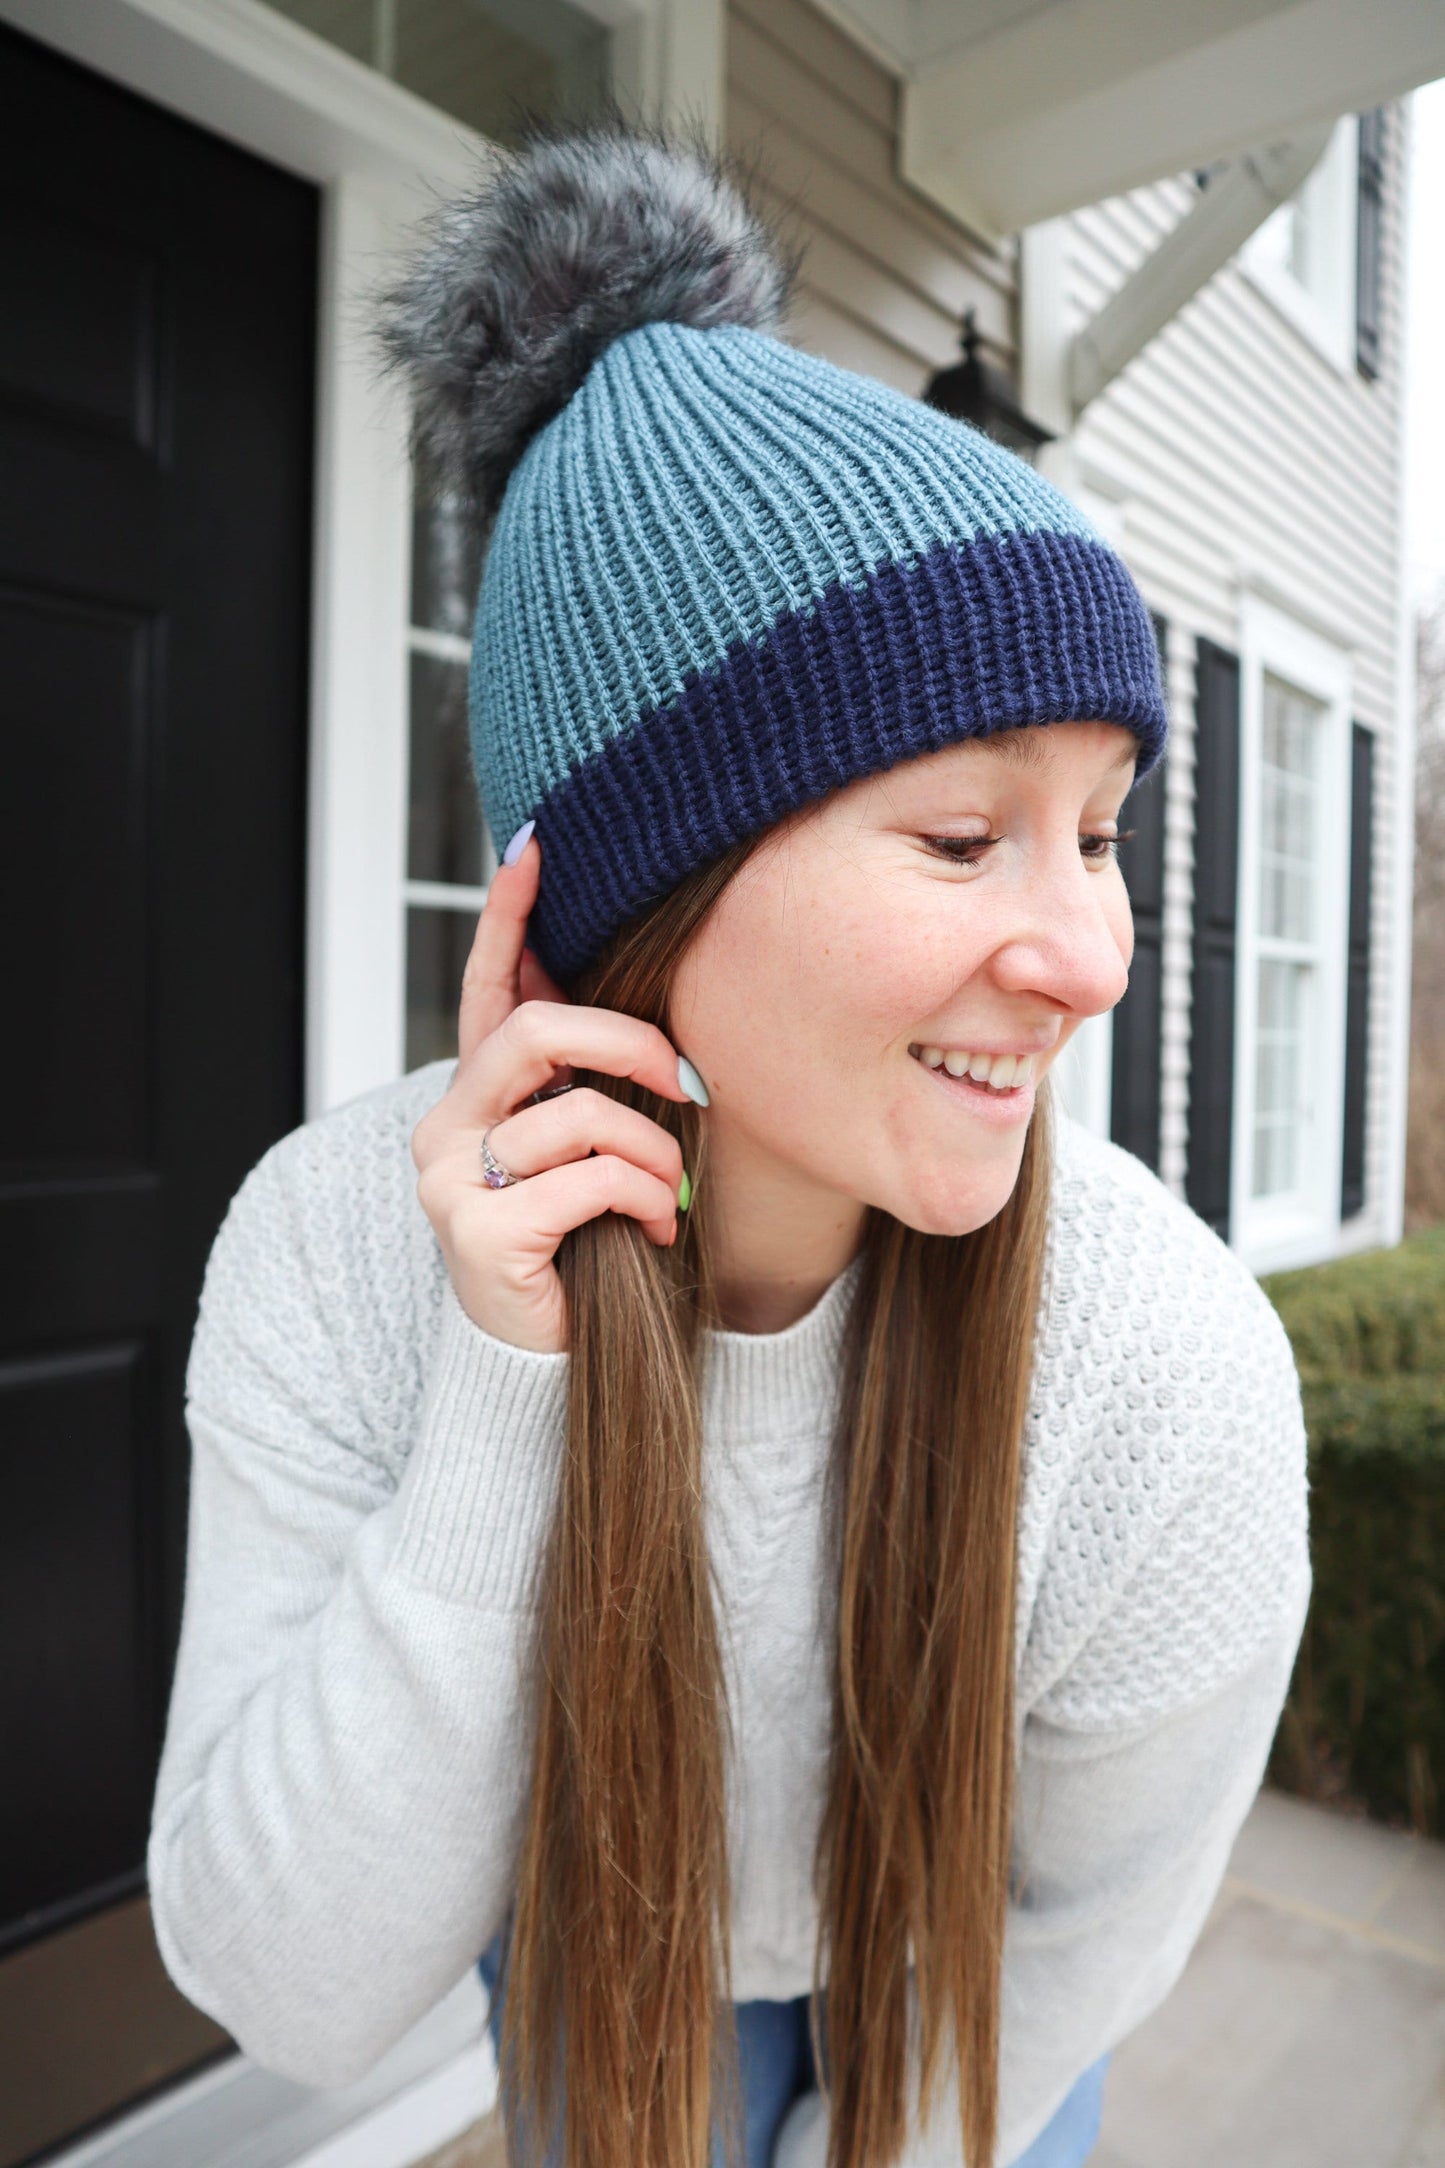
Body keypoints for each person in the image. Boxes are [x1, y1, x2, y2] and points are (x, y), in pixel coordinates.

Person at [147, 118, 1311, 2168]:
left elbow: (1086, 1917)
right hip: (608, 1943)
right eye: (964, 834)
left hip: (967, 1972)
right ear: (634, 893)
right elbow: (289, 1993)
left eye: (1103, 835)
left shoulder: (1163, 1366)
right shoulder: (331, 1255)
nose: (1088, 956)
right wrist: (506, 1396)